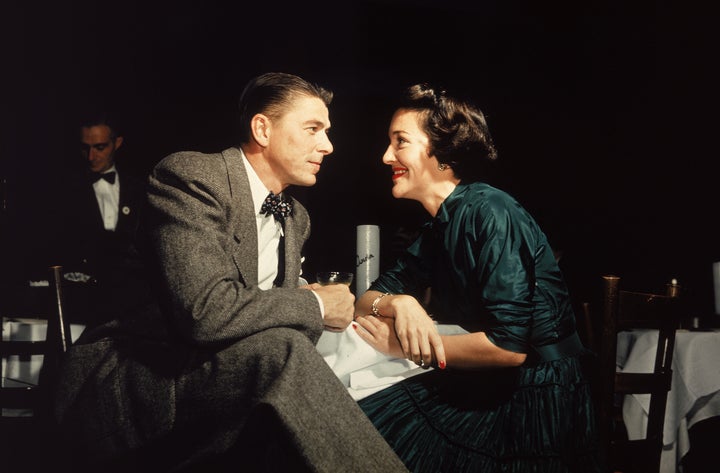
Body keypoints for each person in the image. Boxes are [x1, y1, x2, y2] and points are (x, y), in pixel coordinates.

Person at [53, 72, 408, 472]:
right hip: (136, 385)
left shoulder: (297, 218)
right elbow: (204, 312)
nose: (327, 145)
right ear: (262, 129)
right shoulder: (191, 177)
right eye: (312, 129)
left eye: (327, 131)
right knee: (281, 352)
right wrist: (314, 303)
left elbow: (269, 314)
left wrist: (316, 299)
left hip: (219, 382)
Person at [352, 83, 603, 472]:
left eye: (400, 142)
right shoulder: (440, 225)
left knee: (374, 434)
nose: (386, 156)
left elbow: (509, 347)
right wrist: (400, 302)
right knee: (351, 426)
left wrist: (406, 348)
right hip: (488, 384)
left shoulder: (491, 211)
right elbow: (366, 299)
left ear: (443, 153)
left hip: (536, 395)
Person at [48, 112, 155, 327]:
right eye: (84, 148)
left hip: (132, 305)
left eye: (99, 147)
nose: (91, 156)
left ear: (117, 143)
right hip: (81, 304)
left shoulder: (141, 189)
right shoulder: (63, 191)